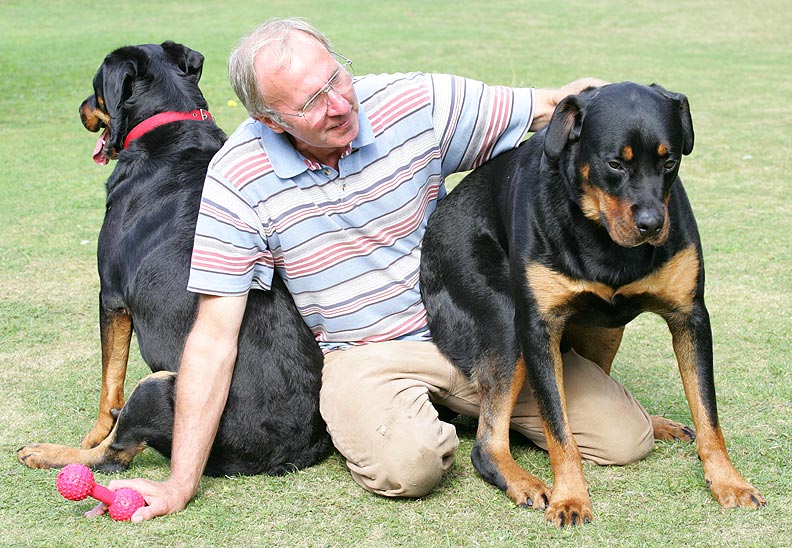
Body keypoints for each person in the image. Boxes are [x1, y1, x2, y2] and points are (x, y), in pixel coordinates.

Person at [110, 17, 654, 521]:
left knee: (626, 440)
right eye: (312, 103)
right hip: (361, 354)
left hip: (470, 329)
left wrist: (628, 117)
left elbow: (552, 104)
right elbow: (213, 336)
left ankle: (478, 409)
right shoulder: (236, 177)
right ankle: (439, 419)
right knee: (410, 465)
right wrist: (181, 482)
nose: (339, 104)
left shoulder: (412, 102)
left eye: (336, 78)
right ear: (268, 120)